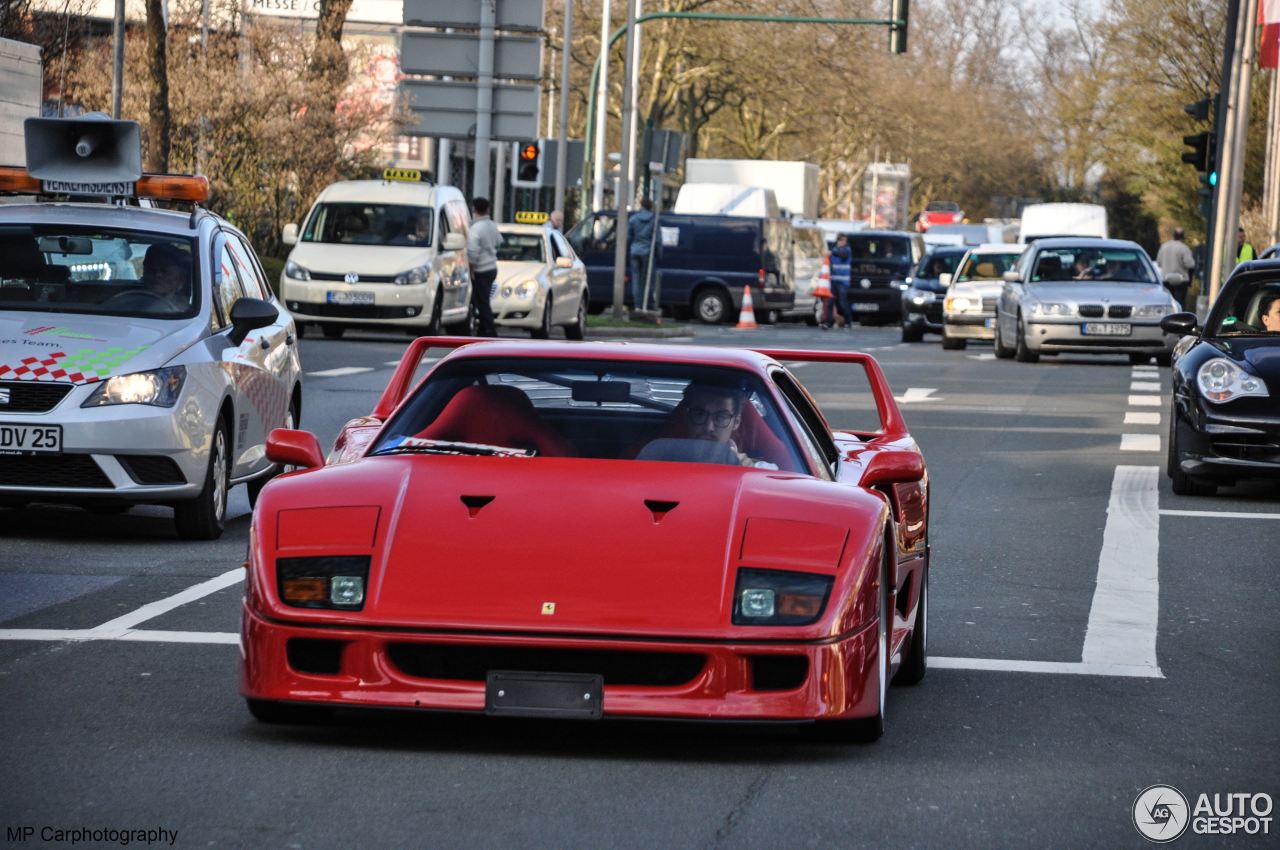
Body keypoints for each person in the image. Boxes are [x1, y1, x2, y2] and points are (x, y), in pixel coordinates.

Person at [679, 383, 778, 469]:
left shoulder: (761, 471)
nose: (709, 427)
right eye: (700, 414)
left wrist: (749, 472)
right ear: (686, 416)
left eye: (721, 417)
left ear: (736, 422)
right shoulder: (665, 461)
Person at [467, 197, 502, 337]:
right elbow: (499, 242)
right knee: (484, 298)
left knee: (481, 301)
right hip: (492, 267)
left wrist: (471, 269)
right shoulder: (492, 225)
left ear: (474, 209)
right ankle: (482, 328)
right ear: (488, 209)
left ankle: (489, 330)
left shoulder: (475, 228)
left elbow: (472, 251)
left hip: (480, 269)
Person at [140, 243, 192, 311]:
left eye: (164, 270)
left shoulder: (184, 312)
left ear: (181, 278)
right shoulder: (127, 298)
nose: (157, 275)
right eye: (151, 269)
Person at [1155, 226, 1195, 308]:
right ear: (1183, 236)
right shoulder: (1184, 248)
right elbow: (1190, 264)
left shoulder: (1164, 246)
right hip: (1181, 280)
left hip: (1166, 279)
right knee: (1179, 303)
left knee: (1167, 303)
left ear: (1174, 235)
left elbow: (1159, 262)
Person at [627, 197, 655, 311]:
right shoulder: (654, 220)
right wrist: (659, 253)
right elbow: (657, 239)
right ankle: (646, 304)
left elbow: (629, 237)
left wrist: (629, 249)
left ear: (641, 205)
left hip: (635, 251)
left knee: (636, 279)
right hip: (647, 252)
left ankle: (637, 305)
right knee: (647, 278)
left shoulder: (633, 219)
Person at [825, 234, 853, 329]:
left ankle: (848, 322)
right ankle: (829, 322)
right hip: (833, 281)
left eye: (845, 240)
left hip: (843, 282)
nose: (843, 242)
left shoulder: (846, 250)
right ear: (838, 240)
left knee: (842, 302)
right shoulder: (833, 250)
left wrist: (831, 252)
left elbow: (842, 254)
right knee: (830, 303)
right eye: (841, 240)